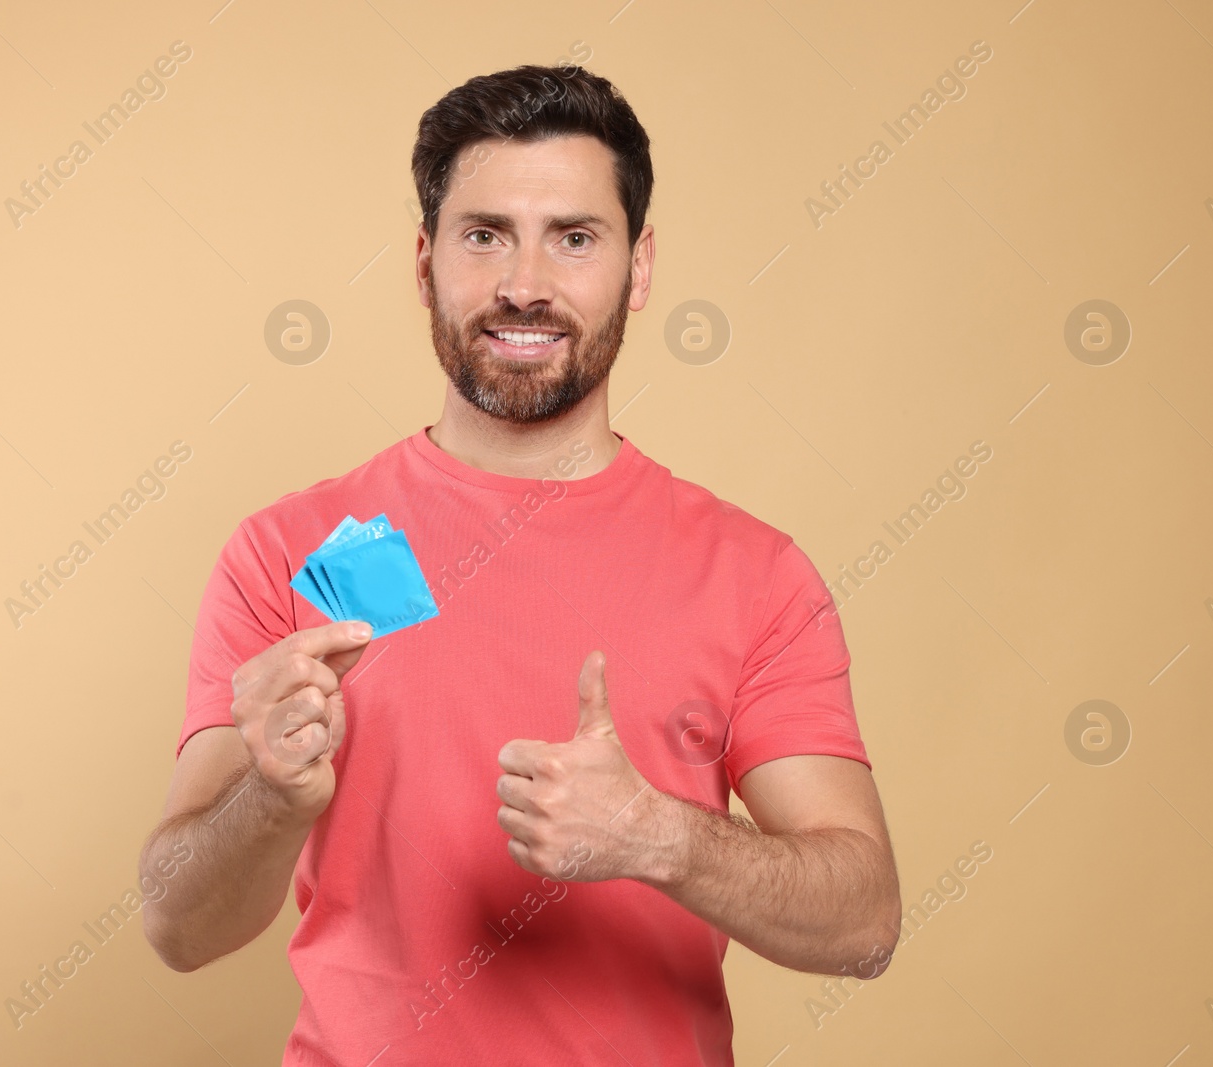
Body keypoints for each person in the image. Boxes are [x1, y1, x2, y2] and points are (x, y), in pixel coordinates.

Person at [139, 63, 901, 1066]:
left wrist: (654, 834)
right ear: (424, 263)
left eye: (573, 238)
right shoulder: (304, 552)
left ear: (638, 267)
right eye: (484, 233)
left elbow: (864, 923)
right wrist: (270, 797)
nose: (524, 284)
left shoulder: (752, 574)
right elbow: (176, 923)